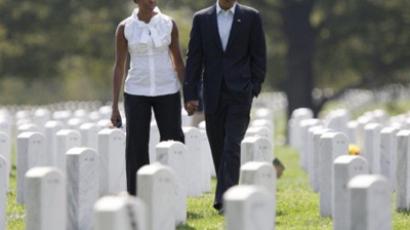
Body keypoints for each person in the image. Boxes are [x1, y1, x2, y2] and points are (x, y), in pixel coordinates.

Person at [183, 0, 267, 212]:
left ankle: (224, 199)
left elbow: (259, 54)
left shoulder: (251, 17)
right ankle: (228, 191)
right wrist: (191, 94)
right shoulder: (202, 19)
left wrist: (254, 87)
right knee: (218, 144)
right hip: (212, 93)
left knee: (232, 143)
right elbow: (194, 58)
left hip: (240, 93)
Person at [110, 0, 185, 196]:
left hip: (168, 90)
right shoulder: (125, 28)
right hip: (136, 91)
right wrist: (114, 107)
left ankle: (172, 194)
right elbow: (119, 66)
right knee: (136, 145)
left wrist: (189, 95)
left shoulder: (169, 24)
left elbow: (178, 60)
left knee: (173, 139)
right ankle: (137, 196)